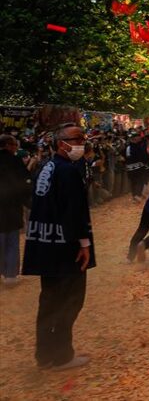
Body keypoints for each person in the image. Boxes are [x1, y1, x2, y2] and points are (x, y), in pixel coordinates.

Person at [21, 124, 96, 371]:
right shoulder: (68, 171)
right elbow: (74, 210)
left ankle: (45, 354)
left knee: (49, 302)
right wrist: (83, 243)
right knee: (69, 301)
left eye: (83, 139)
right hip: (65, 248)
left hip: (44, 243)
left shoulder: (46, 167)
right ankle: (62, 355)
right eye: (76, 139)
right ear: (62, 143)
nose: (81, 143)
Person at [0, 134, 33, 285]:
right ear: (7, 145)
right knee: (12, 241)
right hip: (12, 207)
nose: (15, 148)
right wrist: (28, 202)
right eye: (13, 145)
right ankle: (11, 276)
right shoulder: (14, 161)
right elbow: (24, 183)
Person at [125, 130, 149, 202]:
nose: (139, 138)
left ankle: (136, 196)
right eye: (137, 137)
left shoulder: (130, 146)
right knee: (138, 181)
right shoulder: (135, 147)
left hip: (132, 167)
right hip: (137, 167)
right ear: (134, 138)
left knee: (136, 181)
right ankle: (136, 195)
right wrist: (146, 162)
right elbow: (141, 156)